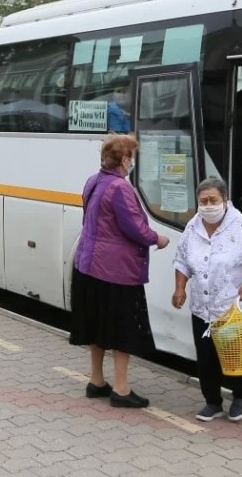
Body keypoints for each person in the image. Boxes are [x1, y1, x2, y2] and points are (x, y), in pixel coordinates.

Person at [69, 135, 169, 409]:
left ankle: (97, 381)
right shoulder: (120, 188)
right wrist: (157, 238)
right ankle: (122, 390)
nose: (133, 162)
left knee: (96, 325)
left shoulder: (93, 181)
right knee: (121, 328)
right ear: (125, 160)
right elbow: (134, 227)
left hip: (87, 265)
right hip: (114, 271)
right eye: (133, 158)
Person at [172, 177, 242, 421]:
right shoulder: (193, 226)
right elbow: (182, 260)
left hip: (233, 306)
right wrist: (180, 288)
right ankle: (212, 402)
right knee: (206, 358)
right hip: (202, 306)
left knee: (234, 355)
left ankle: (240, 396)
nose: (207, 206)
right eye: (203, 201)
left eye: (212, 200)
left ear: (225, 200)